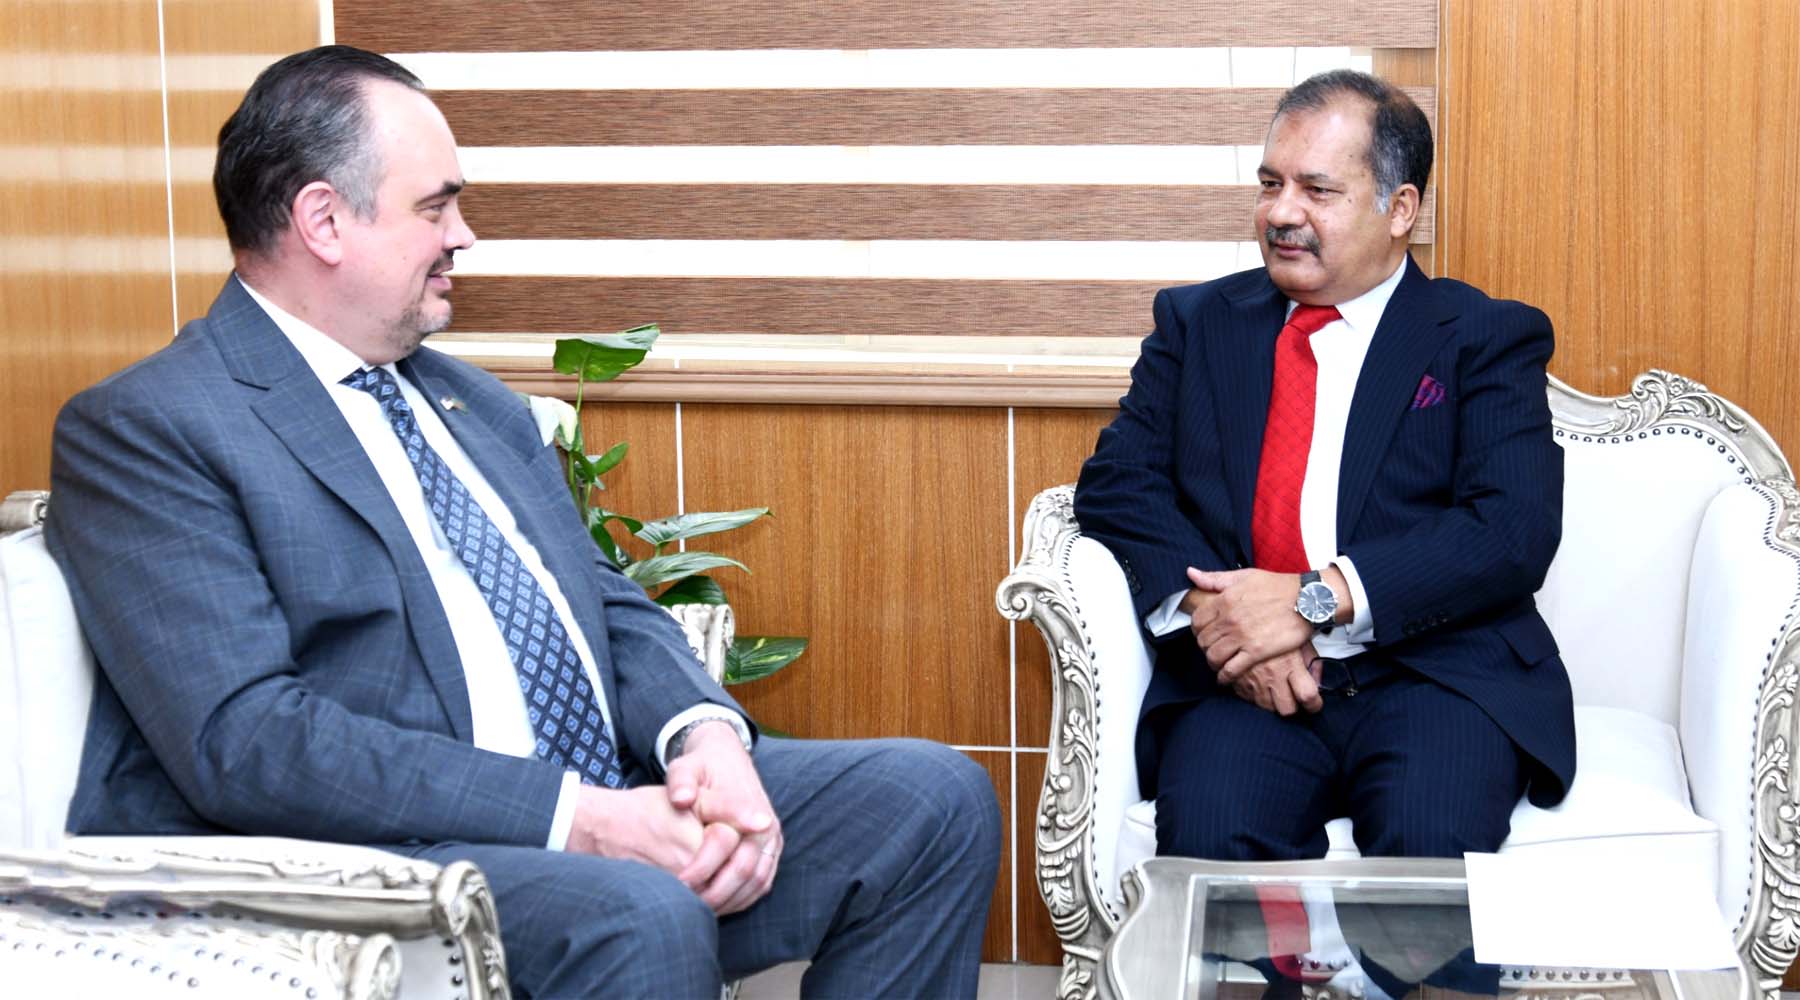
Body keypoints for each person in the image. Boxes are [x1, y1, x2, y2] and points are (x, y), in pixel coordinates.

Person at [46, 45, 999, 999]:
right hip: (384, 854)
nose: (463, 236)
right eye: (435, 208)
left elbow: (603, 599)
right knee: (641, 913)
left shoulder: (475, 406)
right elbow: (248, 740)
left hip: (593, 798)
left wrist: (704, 739)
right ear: (324, 220)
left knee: (928, 801)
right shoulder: (153, 427)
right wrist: (577, 818)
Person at [1074, 69, 1574, 866]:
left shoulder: (1481, 336)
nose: (1281, 213)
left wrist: (1313, 600)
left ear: (1399, 209)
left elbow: (1511, 529)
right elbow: (1119, 484)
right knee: (1209, 836)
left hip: (1434, 674)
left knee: (1428, 836)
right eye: (1270, 184)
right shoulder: (1199, 323)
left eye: (1316, 190)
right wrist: (1226, 621)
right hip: (1247, 683)